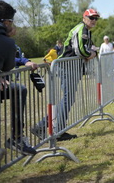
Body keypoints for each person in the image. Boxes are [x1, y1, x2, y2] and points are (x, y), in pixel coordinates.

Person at [31, 8, 100, 142]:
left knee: (67, 99)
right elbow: (81, 51)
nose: (94, 20)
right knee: (67, 100)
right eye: (91, 18)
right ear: (84, 18)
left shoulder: (85, 30)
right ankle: (55, 130)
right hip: (67, 68)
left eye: (96, 18)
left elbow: (86, 47)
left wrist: (91, 51)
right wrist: (92, 54)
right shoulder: (82, 29)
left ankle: (50, 128)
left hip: (70, 67)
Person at [0, 0, 37, 158]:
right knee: (19, 90)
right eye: (11, 22)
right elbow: (8, 66)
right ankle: (16, 138)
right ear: (6, 22)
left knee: (17, 90)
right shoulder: (6, 42)